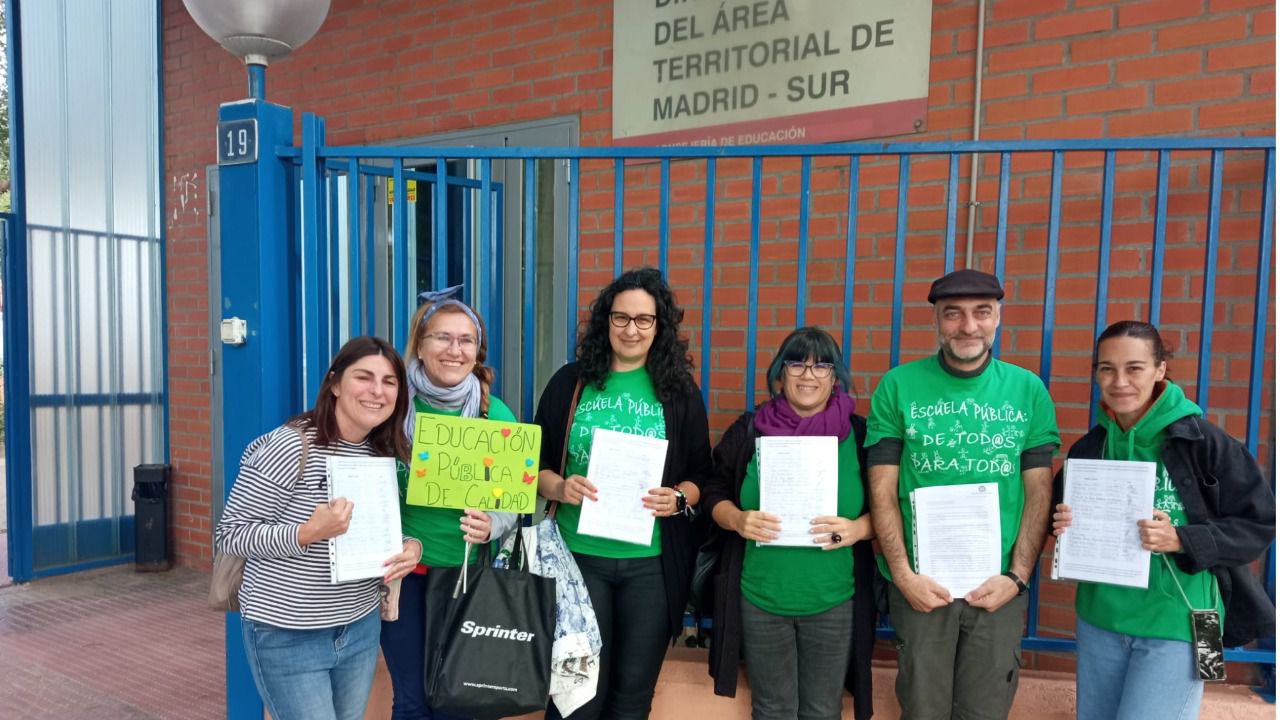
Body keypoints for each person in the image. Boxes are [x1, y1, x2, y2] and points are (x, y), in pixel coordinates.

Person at [1051, 320, 1275, 720]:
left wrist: (1182, 539)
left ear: (1159, 370)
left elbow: (1259, 524)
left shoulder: (1203, 443)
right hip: (1100, 620)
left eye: (1134, 368)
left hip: (1177, 624)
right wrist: (1064, 522)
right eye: (1107, 369)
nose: (1119, 381)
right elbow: (1061, 520)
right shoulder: (1090, 448)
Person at [865, 269, 1061, 720]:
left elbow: (1038, 492)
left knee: (985, 710)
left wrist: (1017, 577)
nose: (968, 326)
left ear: (999, 318)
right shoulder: (897, 386)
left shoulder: (1028, 390)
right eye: (953, 314)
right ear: (936, 319)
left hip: (996, 586)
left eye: (981, 313)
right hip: (921, 584)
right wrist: (902, 574)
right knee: (922, 708)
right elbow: (883, 489)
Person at [535, 267, 712, 719]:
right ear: (605, 321)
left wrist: (678, 498)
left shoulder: (679, 393)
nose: (631, 329)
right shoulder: (570, 383)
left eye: (643, 320)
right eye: (621, 318)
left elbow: (700, 476)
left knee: (632, 701)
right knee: (575, 698)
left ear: (660, 327)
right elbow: (533, 468)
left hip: (650, 567)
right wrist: (561, 485)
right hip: (578, 561)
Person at [214, 336, 422, 720]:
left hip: (358, 627)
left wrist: (409, 547)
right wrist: (305, 532)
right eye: (364, 377)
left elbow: (376, 529)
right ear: (335, 384)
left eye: (390, 381)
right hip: (288, 633)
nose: (377, 391)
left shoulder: (382, 452)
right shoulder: (289, 446)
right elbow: (230, 533)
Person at [703, 327, 878, 720]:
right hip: (761, 598)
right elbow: (712, 489)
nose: (808, 374)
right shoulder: (750, 430)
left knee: (822, 711)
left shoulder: (861, 435)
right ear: (780, 375)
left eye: (822, 366)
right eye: (797, 363)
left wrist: (857, 529)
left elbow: (890, 506)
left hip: (833, 599)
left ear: (835, 378)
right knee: (771, 710)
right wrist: (737, 518)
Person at [380, 286, 519, 720]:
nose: (454, 350)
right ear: (419, 344)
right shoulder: (390, 408)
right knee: (412, 700)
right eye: (442, 337)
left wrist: (492, 524)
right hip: (403, 575)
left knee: (459, 701)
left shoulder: (495, 415)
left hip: (466, 575)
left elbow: (512, 500)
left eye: (466, 340)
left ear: (478, 351)